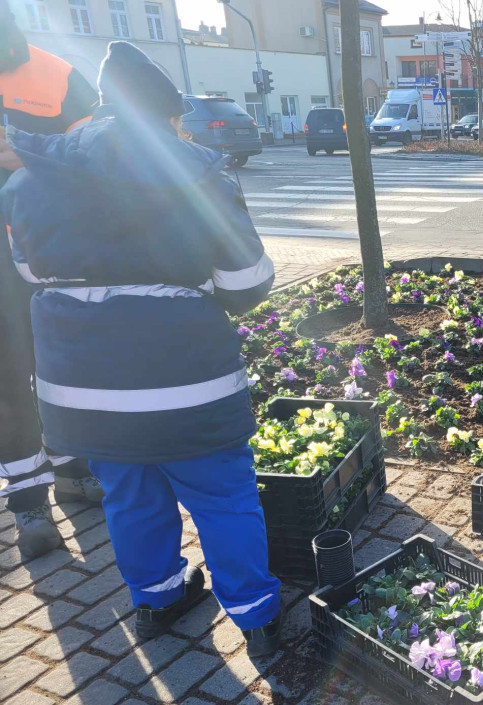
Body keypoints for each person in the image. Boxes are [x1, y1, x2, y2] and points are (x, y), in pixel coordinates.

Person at [1, 41, 282, 657]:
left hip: (84, 392)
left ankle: (158, 600)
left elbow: (27, 271)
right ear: (163, 116)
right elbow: (247, 283)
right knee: (222, 496)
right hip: (188, 386)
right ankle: (257, 618)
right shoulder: (198, 172)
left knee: (129, 495)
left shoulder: (31, 178)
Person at [0, 0, 104, 560]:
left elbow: (99, 157)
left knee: (61, 363)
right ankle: (27, 502)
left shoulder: (56, 74)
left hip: (51, 249)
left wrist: (31, 155)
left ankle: (71, 468)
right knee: (6, 376)